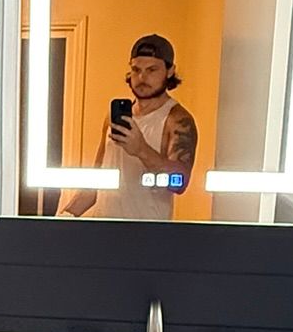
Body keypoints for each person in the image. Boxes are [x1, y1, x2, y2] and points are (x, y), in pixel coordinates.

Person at [62, 34, 198, 220]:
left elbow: (179, 183)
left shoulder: (177, 120)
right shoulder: (115, 117)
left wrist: (141, 149)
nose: (142, 77)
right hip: (103, 228)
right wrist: (62, 219)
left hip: (146, 232)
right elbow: (97, 179)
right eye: (136, 69)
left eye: (152, 70)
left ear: (170, 71)